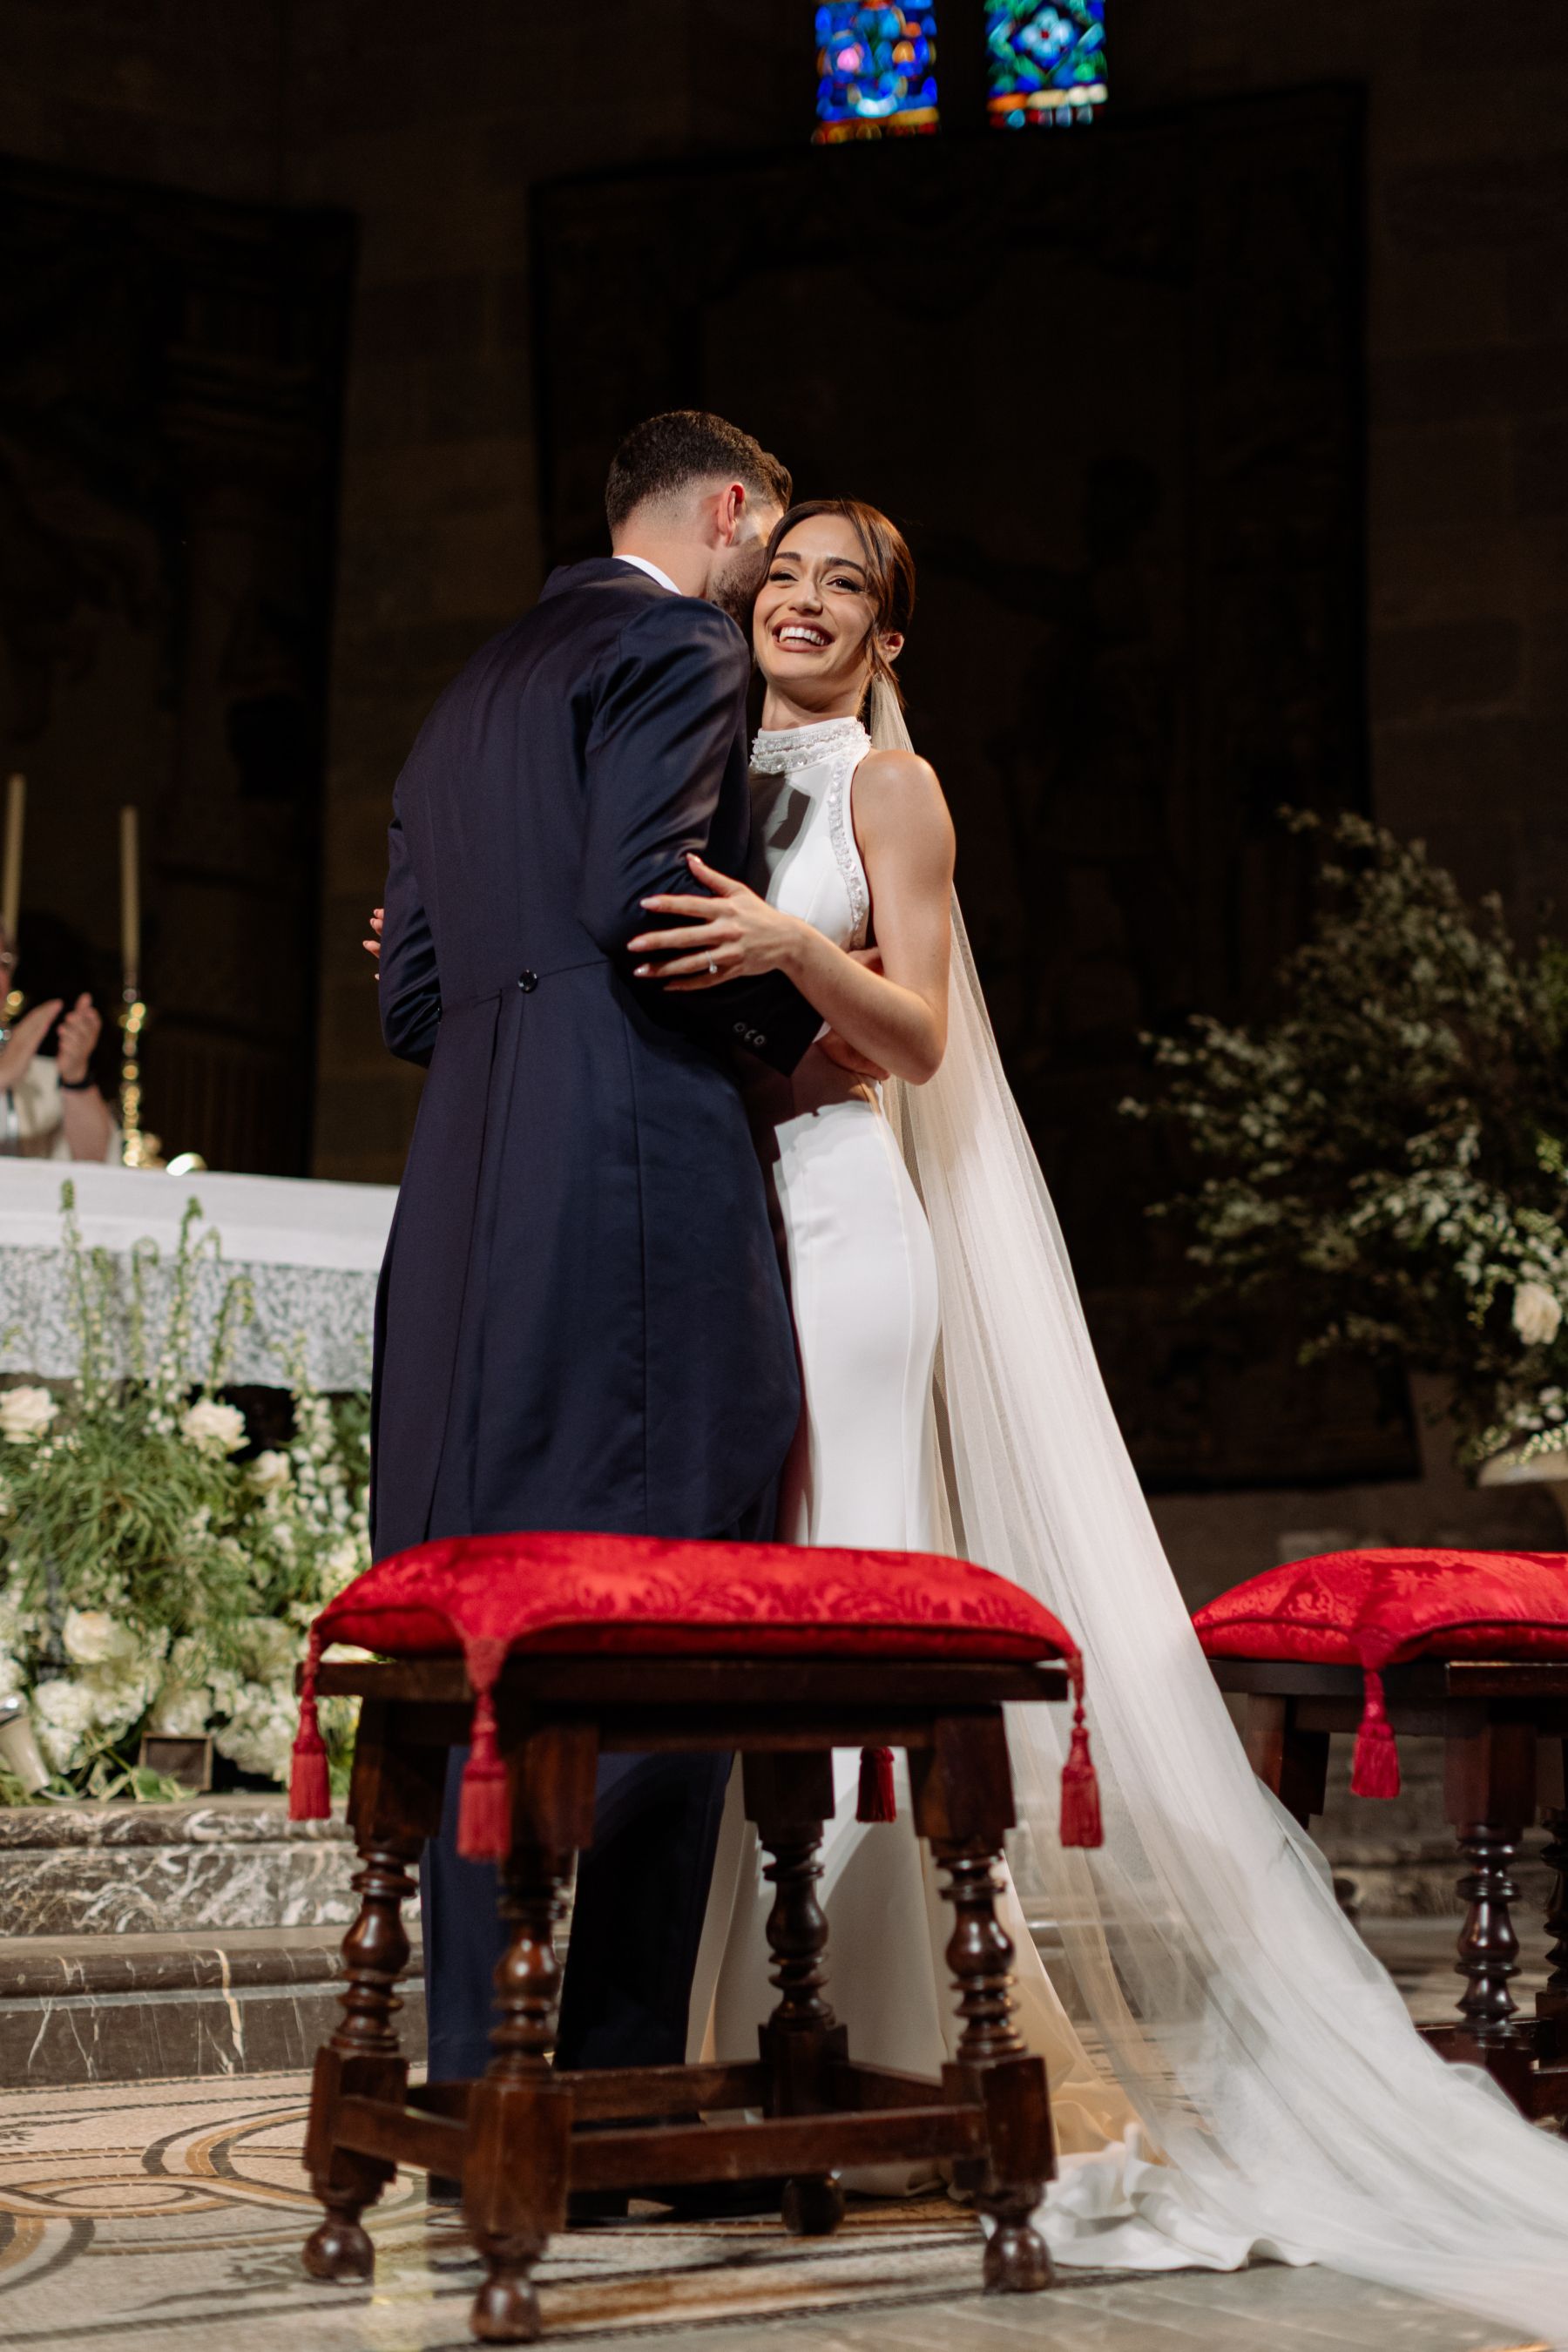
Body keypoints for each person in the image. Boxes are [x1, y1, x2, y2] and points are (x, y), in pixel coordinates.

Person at [619, 497, 1568, 2338]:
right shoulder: (693, 767)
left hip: (842, 1221)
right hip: (723, 1231)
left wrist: (782, 952)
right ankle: (760, 2037)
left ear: (889, 642)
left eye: (847, 591)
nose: (805, 604)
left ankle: (892, 2045)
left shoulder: (892, 792)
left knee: (856, 1593)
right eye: (787, 577)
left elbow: (918, 1036)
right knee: (752, 1616)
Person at [370, 413, 826, 2136]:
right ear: (727, 512)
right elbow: (650, 899)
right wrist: (807, 1041)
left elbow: (408, 1001)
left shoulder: (464, 697)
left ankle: (474, 2072)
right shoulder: (675, 638)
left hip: (469, 1185)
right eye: (765, 543)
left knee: (492, 1625)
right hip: (631, 1172)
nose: (760, 579)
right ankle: (618, 2092)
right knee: (662, 1598)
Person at [0, 923, 115, 1161]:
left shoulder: (36, 1078)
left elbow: (96, 1160)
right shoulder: (13, 1067)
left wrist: (76, 1078)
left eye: (3, 963)